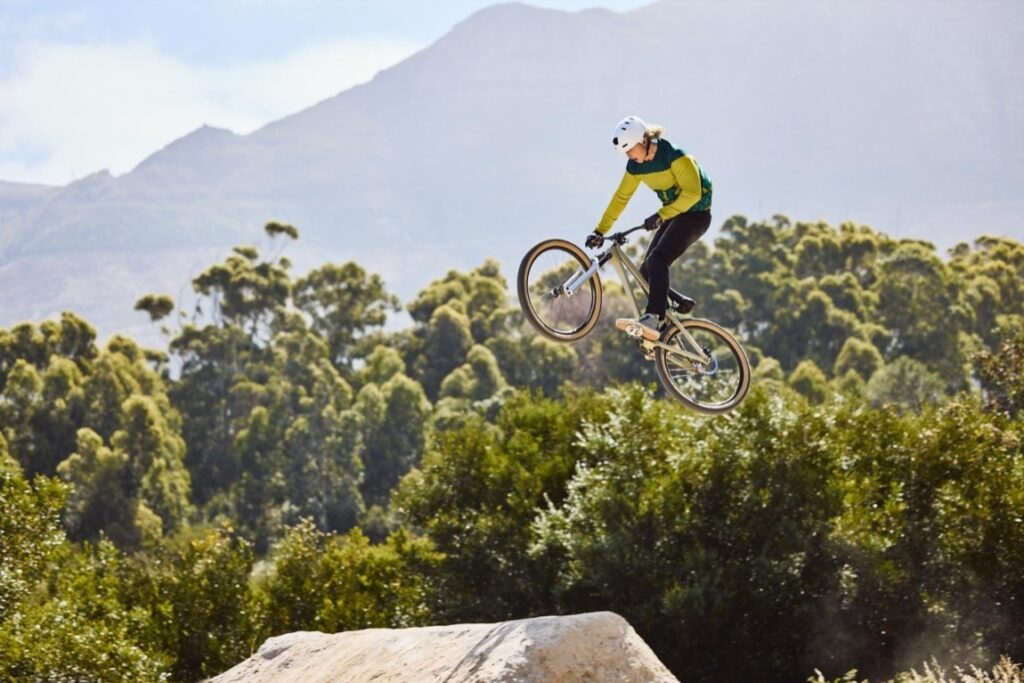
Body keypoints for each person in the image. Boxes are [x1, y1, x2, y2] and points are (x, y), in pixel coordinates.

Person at [585, 115, 713, 342]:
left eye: (631, 150)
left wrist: (660, 215)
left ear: (644, 140)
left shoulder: (675, 156)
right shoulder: (636, 166)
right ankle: (668, 320)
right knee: (645, 272)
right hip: (674, 215)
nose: (629, 156)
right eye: (626, 153)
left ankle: (654, 316)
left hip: (696, 215)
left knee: (657, 261)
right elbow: (621, 197)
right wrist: (599, 231)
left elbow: (693, 195)